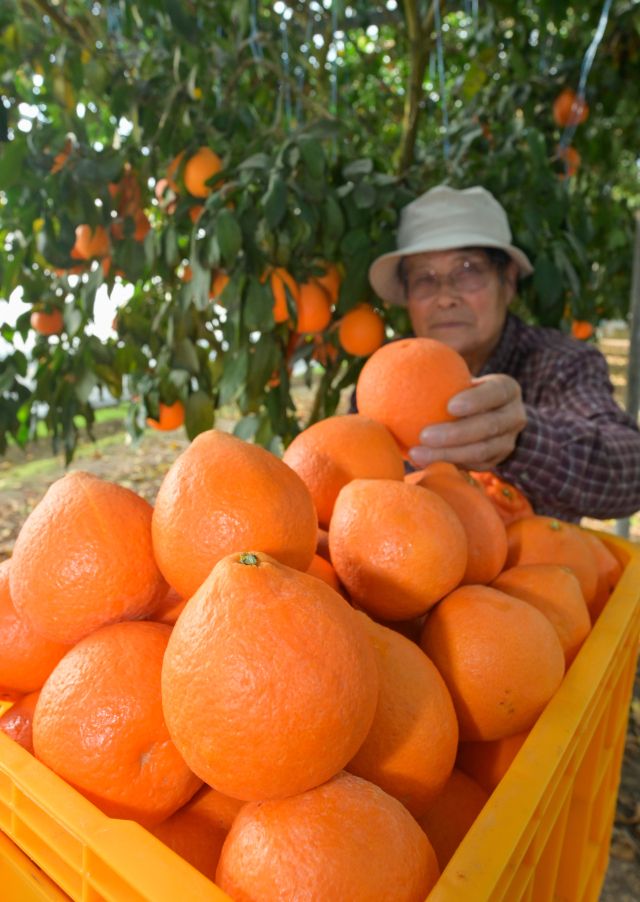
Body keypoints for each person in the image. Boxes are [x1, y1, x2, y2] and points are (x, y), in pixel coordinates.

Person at [366, 184, 640, 523]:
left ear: (507, 282)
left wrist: (520, 437)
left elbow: (630, 473)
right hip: (410, 564)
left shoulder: (560, 362)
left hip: (545, 570)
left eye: (467, 271)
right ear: (407, 297)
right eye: (425, 279)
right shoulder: (385, 375)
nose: (445, 297)